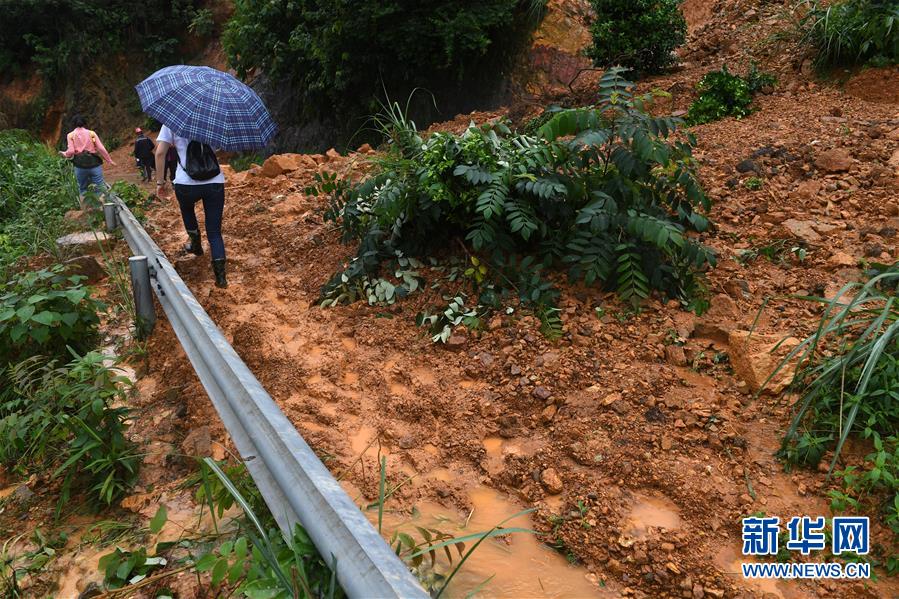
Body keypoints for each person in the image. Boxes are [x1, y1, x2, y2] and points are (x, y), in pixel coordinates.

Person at [154, 124, 228, 288]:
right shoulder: (213, 119)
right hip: (214, 182)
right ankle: (221, 278)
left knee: (187, 210)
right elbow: (219, 150)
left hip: (186, 183)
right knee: (215, 232)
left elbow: (160, 153)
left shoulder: (172, 121)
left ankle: (195, 242)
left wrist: (160, 182)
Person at [60, 115, 115, 202]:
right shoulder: (91, 133)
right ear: (85, 123)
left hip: (80, 165)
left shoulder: (70, 135)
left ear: (73, 124)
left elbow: (70, 151)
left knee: (82, 188)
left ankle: (86, 210)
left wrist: (64, 154)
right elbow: (101, 148)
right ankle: (103, 208)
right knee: (100, 186)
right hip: (94, 163)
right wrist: (109, 160)